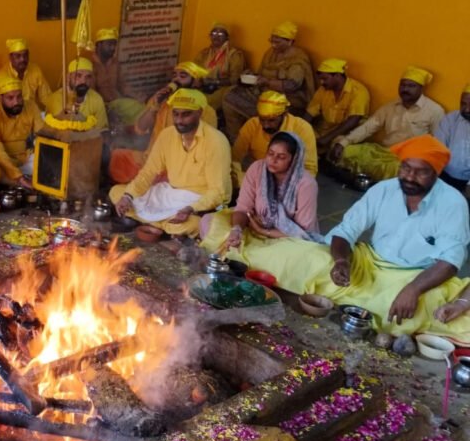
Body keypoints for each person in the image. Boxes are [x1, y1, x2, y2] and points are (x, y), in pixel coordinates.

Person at [218, 135, 470, 339]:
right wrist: (341, 261)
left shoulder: (452, 204)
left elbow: (449, 261)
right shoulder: (384, 190)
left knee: (408, 312)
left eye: (420, 172)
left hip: (415, 274)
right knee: (306, 257)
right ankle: (240, 254)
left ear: (436, 174)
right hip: (368, 260)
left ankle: (373, 301)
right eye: (405, 168)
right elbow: (345, 231)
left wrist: (413, 289)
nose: (410, 177)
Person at [110, 89, 231, 237]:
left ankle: (155, 223)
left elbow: (218, 192)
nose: (179, 120)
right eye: (176, 114)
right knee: (116, 193)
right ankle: (163, 225)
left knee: (193, 224)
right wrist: (128, 196)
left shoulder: (216, 141)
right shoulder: (167, 134)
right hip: (170, 194)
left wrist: (191, 208)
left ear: (199, 113)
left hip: (197, 200)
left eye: (186, 114)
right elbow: (149, 172)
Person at [201, 132, 320, 252]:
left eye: (281, 157)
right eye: (270, 153)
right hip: (253, 227)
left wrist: (264, 231)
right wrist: (236, 230)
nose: (273, 160)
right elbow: (243, 208)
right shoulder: (257, 169)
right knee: (208, 221)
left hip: (286, 238)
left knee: (289, 255)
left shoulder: (306, 184)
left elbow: (303, 233)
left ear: (294, 160)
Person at [108, 62, 216, 184]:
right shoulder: (163, 103)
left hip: (181, 164)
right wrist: (154, 106)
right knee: (118, 156)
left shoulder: (206, 110)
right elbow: (140, 128)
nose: (176, 79)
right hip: (152, 160)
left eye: (183, 76)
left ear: (196, 82)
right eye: (174, 75)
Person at [329, 66, 444, 181]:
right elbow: (367, 128)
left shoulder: (434, 111)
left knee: (397, 169)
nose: (405, 89)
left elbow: (437, 144)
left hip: (408, 158)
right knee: (343, 148)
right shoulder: (390, 106)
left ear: (421, 88)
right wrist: (343, 143)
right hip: (384, 152)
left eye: (411, 86)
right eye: (402, 85)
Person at [222, 21, 314, 140]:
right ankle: (237, 138)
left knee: (261, 108)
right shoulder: (270, 53)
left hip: (288, 101)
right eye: (272, 41)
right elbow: (262, 73)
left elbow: (292, 85)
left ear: (290, 42)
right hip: (264, 93)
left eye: (277, 42)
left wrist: (267, 82)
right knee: (229, 95)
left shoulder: (298, 59)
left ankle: (262, 139)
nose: (273, 45)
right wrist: (252, 75)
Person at [232, 90, 318, 177]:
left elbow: (309, 169)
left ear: (284, 114)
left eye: (271, 120)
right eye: (262, 119)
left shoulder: (302, 128)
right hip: (259, 178)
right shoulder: (252, 125)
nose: (265, 125)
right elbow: (235, 158)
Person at [0, 77, 44, 188]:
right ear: (1, 98)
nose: (16, 102)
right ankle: (20, 182)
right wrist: (19, 177)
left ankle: (19, 181)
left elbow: (42, 136)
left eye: (19, 96)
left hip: (23, 159)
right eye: (10, 98)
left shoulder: (31, 107)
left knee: (46, 160)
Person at [303, 59, 370, 153]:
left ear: (337, 75)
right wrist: (300, 128)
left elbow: (353, 120)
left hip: (346, 134)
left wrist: (327, 138)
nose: (322, 82)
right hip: (324, 131)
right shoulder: (323, 90)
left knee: (340, 147)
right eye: (320, 79)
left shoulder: (358, 91)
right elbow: (310, 112)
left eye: (325, 79)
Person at [93, 28, 146, 126]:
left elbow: (123, 85)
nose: (113, 48)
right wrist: (102, 107)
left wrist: (136, 96)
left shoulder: (115, 62)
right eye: (109, 44)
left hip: (118, 102)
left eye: (114, 44)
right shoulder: (90, 64)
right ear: (99, 45)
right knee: (140, 112)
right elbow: (91, 93)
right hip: (102, 106)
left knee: (145, 109)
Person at [193, 22, 247, 111]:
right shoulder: (204, 53)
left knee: (205, 104)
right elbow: (193, 70)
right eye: (214, 33)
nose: (216, 36)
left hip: (223, 87)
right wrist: (197, 80)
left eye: (221, 34)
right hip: (203, 85)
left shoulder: (235, 54)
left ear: (227, 37)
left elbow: (235, 79)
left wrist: (215, 82)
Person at [45, 58, 109, 129]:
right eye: (78, 76)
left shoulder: (96, 99)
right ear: (68, 77)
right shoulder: (55, 99)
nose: (83, 81)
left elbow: (102, 130)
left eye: (88, 77)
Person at [0, 38, 51, 109]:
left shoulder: (35, 70)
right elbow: (1, 109)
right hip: (11, 116)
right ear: (10, 57)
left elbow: (47, 98)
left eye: (25, 55)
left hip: (33, 114)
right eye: (18, 56)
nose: (22, 59)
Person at [432, 84, 470, 196]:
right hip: (447, 177)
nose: (467, 109)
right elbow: (438, 148)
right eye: (463, 104)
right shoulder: (451, 119)